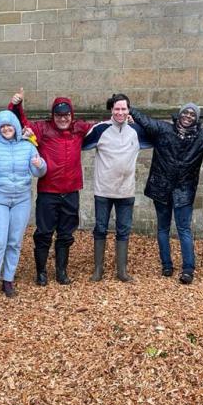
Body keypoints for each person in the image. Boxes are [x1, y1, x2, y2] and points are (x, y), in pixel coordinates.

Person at [129, 102, 203, 284]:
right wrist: (127, 105)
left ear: (196, 119)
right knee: (163, 229)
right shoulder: (164, 130)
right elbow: (145, 121)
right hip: (161, 188)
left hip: (184, 190)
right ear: (179, 114)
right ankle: (166, 265)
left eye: (192, 115)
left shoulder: (202, 136)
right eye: (185, 113)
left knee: (184, 230)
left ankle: (188, 269)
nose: (188, 117)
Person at [9, 88, 94, 286]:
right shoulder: (43, 129)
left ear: (71, 115)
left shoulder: (78, 129)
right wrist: (16, 105)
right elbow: (21, 124)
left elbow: (101, 129)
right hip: (48, 192)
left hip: (71, 191)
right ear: (53, 115)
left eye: (66, 115)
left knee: (66, 234)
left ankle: (61, 271)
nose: (62, 119)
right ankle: (41, 272)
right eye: (58, 115)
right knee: (44, 233)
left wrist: (126, 121)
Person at [0, 110, 47, 303]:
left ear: (15, 127)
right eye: (2, 126)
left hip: (21, 200)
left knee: (15, 241)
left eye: (9, 125)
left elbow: (38, 171)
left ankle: (8, 280)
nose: (6, 129)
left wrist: (40, 164)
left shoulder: (28, 146)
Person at [82, 94, 150, 282]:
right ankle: (98, 270)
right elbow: (77, 144)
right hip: (103, 190)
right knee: (100, 228)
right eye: (116, 109)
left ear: (129, 110)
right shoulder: (100, 130)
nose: (120, 112)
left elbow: (159, 136)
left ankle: (122, 271)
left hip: (126, 190)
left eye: (123, 109)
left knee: (124, 229)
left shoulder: (137, 131)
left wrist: (141, 122)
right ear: (111, 110)